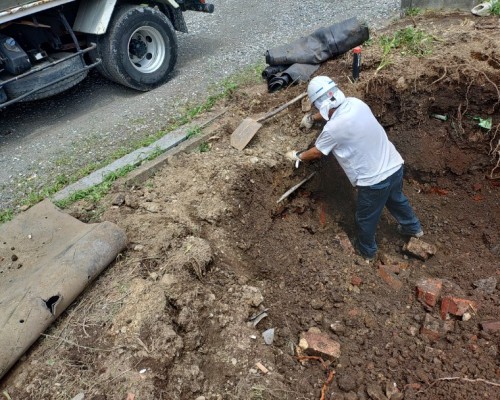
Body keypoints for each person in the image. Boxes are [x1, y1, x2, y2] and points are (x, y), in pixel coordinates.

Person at [286, 76, 423, 260]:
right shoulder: (356, 103)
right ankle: (413, 228)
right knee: (396, 199)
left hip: (373, 181)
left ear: (319, 104)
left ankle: (367, 252)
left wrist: (297, 156)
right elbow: (334, 109)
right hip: (394, 165)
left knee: (366, 218)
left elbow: (317, 152)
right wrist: (313, 118)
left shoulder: (333, 129)